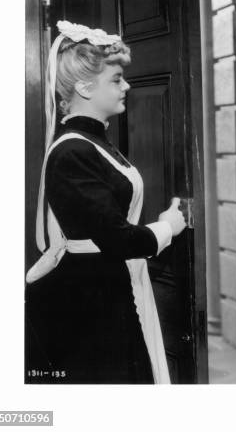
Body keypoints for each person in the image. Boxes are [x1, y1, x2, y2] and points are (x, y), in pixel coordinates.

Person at [25, 21, 187, 384]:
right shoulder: (73, 150)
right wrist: (168, 227)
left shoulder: (92, 142)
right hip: (93, 298)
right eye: (116, 79)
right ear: (84, 86)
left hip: (110, 283)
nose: (126, 85)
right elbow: (117, 237)